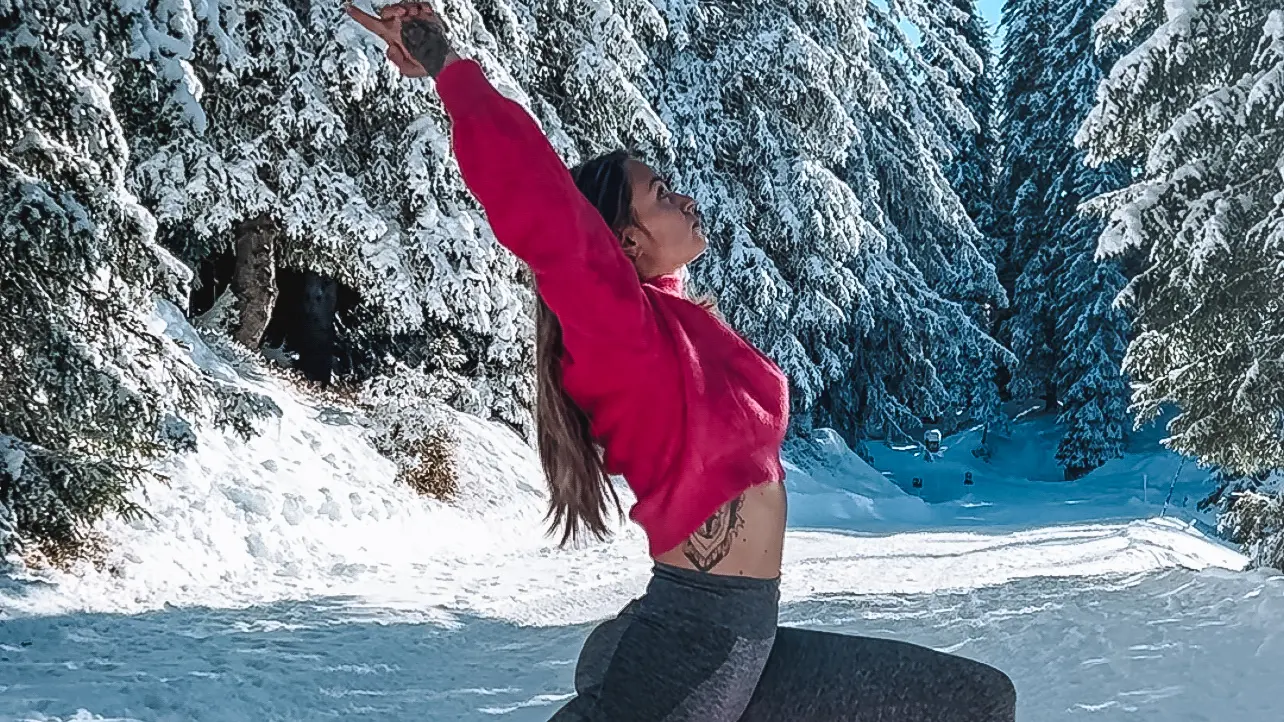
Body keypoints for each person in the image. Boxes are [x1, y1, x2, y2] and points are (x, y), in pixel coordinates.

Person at [346, 4, 1018, 720]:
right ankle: (615, 661)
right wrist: (451, 70)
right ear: (624, 244)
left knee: (974, 699)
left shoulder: (675, 328)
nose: (685, 196)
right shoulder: (617, 330)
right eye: (660, 194)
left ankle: (613, 655)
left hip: (743, 631)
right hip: (698, 642)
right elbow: (541, 204)